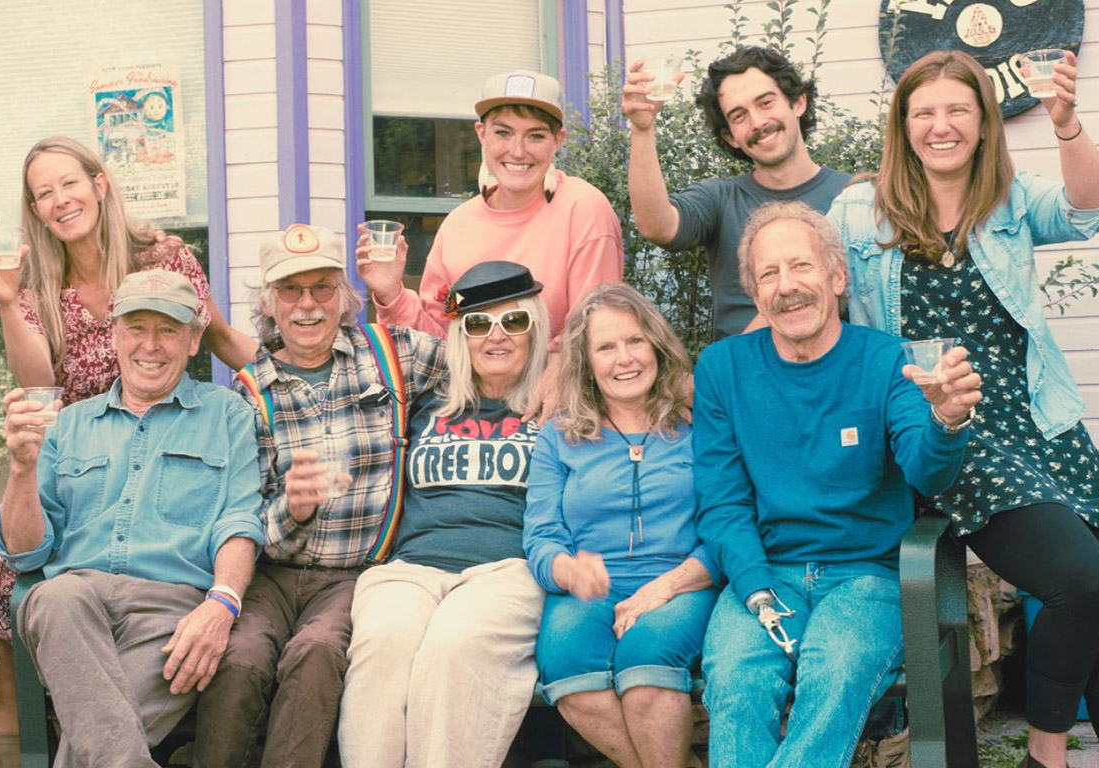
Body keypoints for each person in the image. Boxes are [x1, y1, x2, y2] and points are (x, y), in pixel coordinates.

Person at [828, 49, 1099, 768]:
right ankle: (1046, 756)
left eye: (957, 111)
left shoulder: (1010, 196)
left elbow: (1091, 211)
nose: (940, 126)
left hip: (1039, 417)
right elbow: (819, 303)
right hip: (950, 425)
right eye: (924, 113)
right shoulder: (859, 208)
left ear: (983, 123)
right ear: (902, 123)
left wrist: (1066, 124)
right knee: (1082, 582)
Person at [0, 136, 256, 768]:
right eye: (43, 193)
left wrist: (295, 387)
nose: (60, 200)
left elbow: (223, 338)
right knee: (19, 583)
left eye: (69, 183)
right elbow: (37, 381)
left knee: (91, 724)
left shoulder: (167, 260)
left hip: (168, 538)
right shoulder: (36, 284)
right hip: (82, 460)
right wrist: (7, 301)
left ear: (100, 183)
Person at [693, 201, 981, 768]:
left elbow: (929, 472)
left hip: (866, 578)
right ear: (755, 295)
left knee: (836, 669)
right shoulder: (722, 369)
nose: (786, 287)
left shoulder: (884, 362)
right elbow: (723, 503)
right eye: (768, 274)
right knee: (736, 678)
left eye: (801, 266)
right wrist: (753, 587)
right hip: (766, 573)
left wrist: (945, 421)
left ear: (837, 277)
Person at [191, 225, 449, 768]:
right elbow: (245, 516)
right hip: (274, 575)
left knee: (317, 654)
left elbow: (485, 363)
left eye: (322, 288)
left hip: (354, 575)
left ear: (343, 296)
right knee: (239, 658)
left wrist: (392, 293)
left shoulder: (394, 355)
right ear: (269, 303)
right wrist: (293, 506)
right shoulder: (250, 389)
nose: (307, 305)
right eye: (291, 291)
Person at [0, 269, 263, 768]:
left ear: (195, 338)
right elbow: (26, 550)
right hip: (73, 610)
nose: (150, 346)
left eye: (169, 329)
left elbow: (239, 520)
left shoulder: (228, 416)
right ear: (113, 333)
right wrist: (21, 469)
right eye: (136, 327)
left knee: (100, 736)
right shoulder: (68, 422)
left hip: (171, 617)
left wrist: (221, 603)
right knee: (56, 596)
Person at [336, 263, 552, 768]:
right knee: (385, 644)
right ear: (460, 337)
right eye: (477, 324)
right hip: (410, 569)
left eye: (514, 322)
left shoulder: (557, 405)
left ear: (536, 330)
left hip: (506, 569)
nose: (495, 337)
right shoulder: (426, 402)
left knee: (456, 645)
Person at [523, 283, 721, 768]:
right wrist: (567, 570)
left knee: (647, 667)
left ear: (656, 344)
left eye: (635, 341)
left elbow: (728, 525)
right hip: (589, 587)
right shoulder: (559, 437)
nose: (624, 358)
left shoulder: (700, 427)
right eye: (606, 347)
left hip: (682, 584)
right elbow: (541, 532)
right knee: (568, 669)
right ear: (586, 363)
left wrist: (667, 587)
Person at [356, 70, 624, 344]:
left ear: (558, 140)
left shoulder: (583, 209)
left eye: (535, 136)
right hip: (468, 386)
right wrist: (391, 293)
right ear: (481, 134)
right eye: (502, 133)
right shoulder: (458, 226)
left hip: (556, 385)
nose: (518, 151)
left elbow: (590, 333)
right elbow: (437, 344)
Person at [625, 45, 853, 339]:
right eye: (739, 115)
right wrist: (642, 129)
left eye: (766, 103)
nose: (758, 122)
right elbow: (657, 225)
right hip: (740, 380)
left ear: (798, 103)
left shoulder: (853, 198)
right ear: (730, 137)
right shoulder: (720, 200)